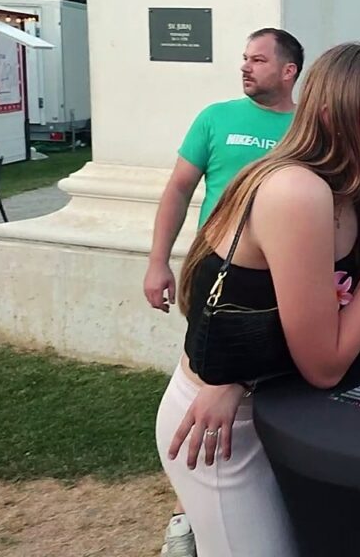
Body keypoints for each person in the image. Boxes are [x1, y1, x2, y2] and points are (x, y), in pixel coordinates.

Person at [156, 43, 360, 557]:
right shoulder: (296, 191)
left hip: (275, 407)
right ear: (333, 116)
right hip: (220, 428)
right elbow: (326, 365)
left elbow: (343, 326)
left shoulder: (351, 189)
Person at [142, 27, 303, 557]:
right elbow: (178, 189)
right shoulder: (215, 118)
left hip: (284, 282)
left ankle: (258, 492)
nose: (245, 66)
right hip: (215, 280)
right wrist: (158, 262)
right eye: (244, 58)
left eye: (258, 59)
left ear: (289, 71)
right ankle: (189, 513)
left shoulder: (308, 128)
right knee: (207, 382)